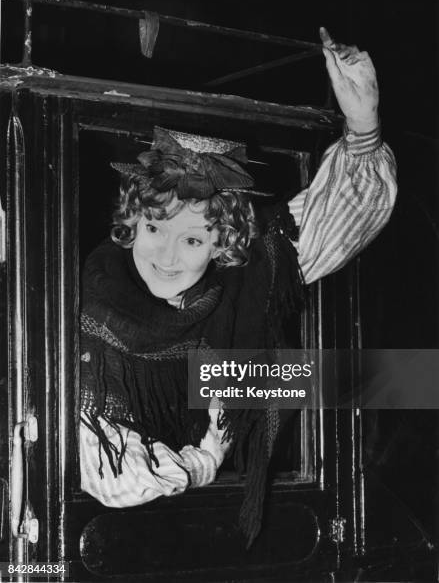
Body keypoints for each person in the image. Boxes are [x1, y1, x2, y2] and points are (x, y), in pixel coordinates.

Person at [79, 28, 397, 544]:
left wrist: (362, 121)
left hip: (220, 535)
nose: (164, 256)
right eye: (155, 228)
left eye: (193, 240)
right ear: (131, 222)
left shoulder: (245, 284)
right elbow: (111, 478)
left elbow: (341, 215)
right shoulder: (85, 298)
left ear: (222, 244)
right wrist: (197, 464)